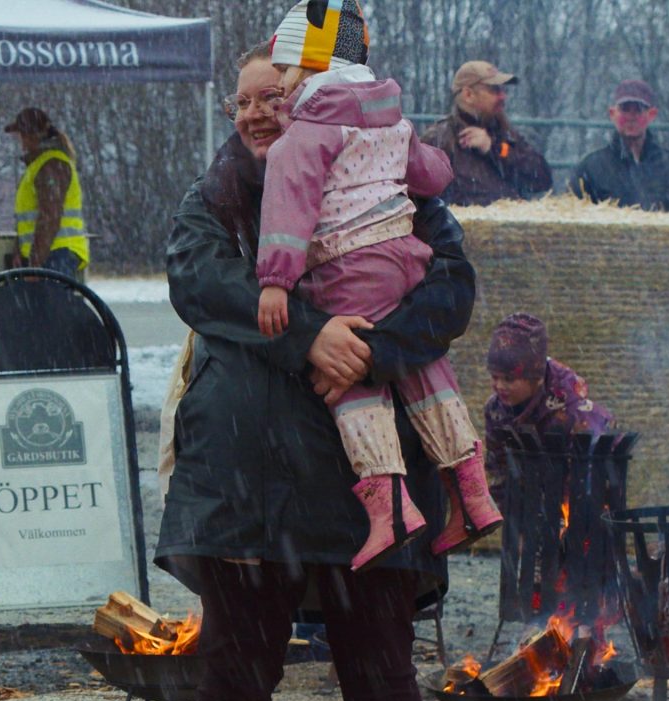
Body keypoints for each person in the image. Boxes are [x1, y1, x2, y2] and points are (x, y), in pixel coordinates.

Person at [157, 43, 476, 701]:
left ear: (317, 100)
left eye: (279, 99)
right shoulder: (218, 195)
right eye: (248, 101)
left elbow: (452, 287)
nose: (263, 115)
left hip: (361, 479)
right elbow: (201, 280)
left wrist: (374, 346)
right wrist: (308, 335)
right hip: (248, 477)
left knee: (379, 677)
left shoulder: (396, 183)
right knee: (234, 682)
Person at [253, 0, 501, 570]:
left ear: (311, 70)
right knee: (425, 370)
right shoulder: (393, 122)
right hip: (406, 259)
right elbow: (434, 176)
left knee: (348, 372)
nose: (281, 88)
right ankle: (471, 493)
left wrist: (275, 282)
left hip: (347, 268)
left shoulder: (303, 139)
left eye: (286, 73)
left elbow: (288, 214)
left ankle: (389, 508)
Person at [481, 312, 614, 484]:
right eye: (494, 377)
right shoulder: (495, 411)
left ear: (535, 378)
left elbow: (590, 480)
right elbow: (498, 472)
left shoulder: (576, 413)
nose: (499, 386)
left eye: (509, 379)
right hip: (525, 501)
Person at [418, 60, 552, 206]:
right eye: (494, 90)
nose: (503, 97)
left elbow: (542, 179)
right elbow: (418, 196)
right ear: (468, 94)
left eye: (503, 90)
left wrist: (495, 148)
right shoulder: (439, 140)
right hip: (466, 227)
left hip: (510, 225)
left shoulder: (505, 135)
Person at [569, 79, 669, 212]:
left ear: (652, 115)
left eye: (638, 110)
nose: (631, 116)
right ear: (612, 114)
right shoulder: (591, 169)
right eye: (625, 109)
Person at [5, 107, 87, 276]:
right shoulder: (42, 164)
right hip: (51, 253)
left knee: (53, 301)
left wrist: (35, 262)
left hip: (57, 251)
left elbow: (49, 218)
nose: (21, 141)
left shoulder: (51, 165)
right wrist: (20, 249)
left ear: (29, 136)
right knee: (53, 301)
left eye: (21, 135)